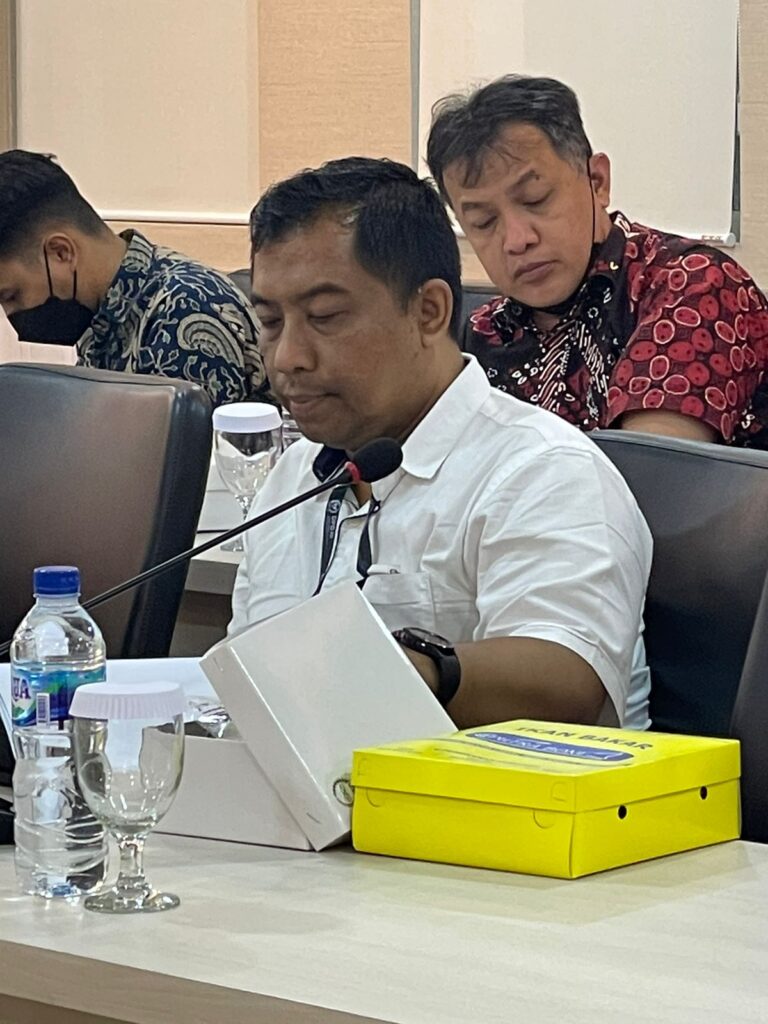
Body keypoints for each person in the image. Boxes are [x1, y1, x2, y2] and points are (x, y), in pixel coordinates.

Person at [229, 156, 653, 730]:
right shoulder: (293, 476)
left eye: (325, 317)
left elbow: (565, 685)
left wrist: (403, 669)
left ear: (429, 311)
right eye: (271, 323)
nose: (287, 358)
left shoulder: (545, 471)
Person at [426, 76, 768, 448]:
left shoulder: (691, 284)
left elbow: (653, 473)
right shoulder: (483, 331)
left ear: (597, 181)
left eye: (536, 199)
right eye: (483, 222)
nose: (517, 240)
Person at [0, 150, 269, 407]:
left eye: (10, 295)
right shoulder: (102, 315)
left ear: (61, 252)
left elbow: (173, 441)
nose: (9, 312)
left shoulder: (182, 314)